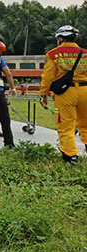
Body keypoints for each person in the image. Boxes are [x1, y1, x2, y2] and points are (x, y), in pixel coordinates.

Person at [39, 25, 87, 164]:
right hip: (85, 91)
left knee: (66, 125)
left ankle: (71, 155)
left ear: (60, 38)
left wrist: (43, 95)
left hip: (65, 93)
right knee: (85, 124)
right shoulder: (85, 53)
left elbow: (47, 77)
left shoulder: (53, 54)